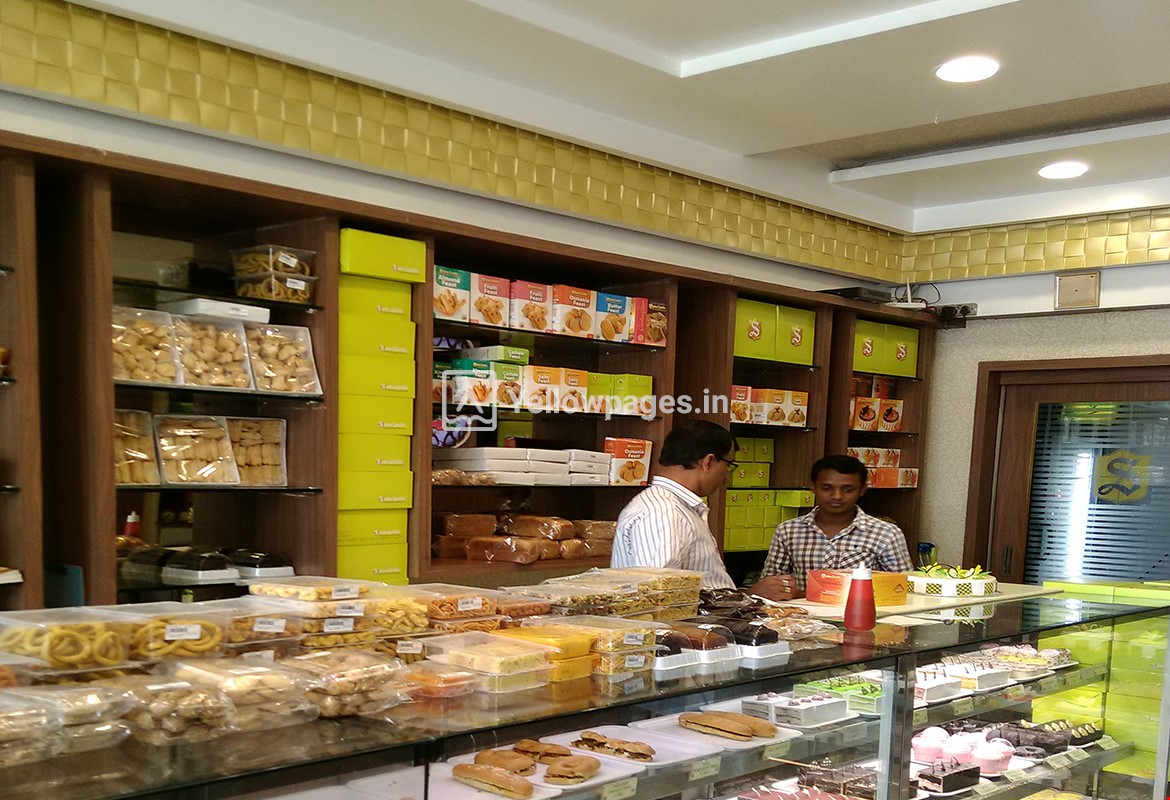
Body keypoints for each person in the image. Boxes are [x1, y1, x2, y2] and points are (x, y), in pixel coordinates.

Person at [750, 454, 913, 600]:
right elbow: (770, 586)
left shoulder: (886, 534)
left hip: (863, 617)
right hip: (801, 619)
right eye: (827, 488)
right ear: (813, 487)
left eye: (847, 489)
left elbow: (904, 589)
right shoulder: (788, 531)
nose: (837, 496)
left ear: (862, 490)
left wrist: (804, 594)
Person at [612, 419, 737, 588]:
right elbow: (658, 592)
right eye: (729, 465)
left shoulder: (675, 507)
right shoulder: (664, 512)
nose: (726, 477)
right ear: (708, 462)